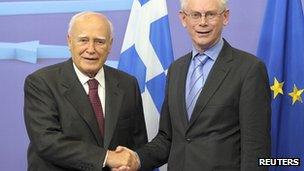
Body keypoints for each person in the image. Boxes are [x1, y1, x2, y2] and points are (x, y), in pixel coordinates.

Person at [114, 0, 271, 170]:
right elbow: (168, 138)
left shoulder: (249, 69)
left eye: (210, 14)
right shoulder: (176, 69)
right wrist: (136, 159)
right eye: (195, 15)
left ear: (225, 17)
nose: (202, 22)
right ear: (183, 19)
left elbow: (256, 147)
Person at [24, 11, 147, 171]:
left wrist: (130, 164)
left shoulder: (127, 84)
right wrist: (107, 157)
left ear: (110, 45)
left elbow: (137, 144)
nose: (91, 49)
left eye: (99, 42)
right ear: (69, 41)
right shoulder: (42, 82)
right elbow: (47, 141)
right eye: (83, 40)